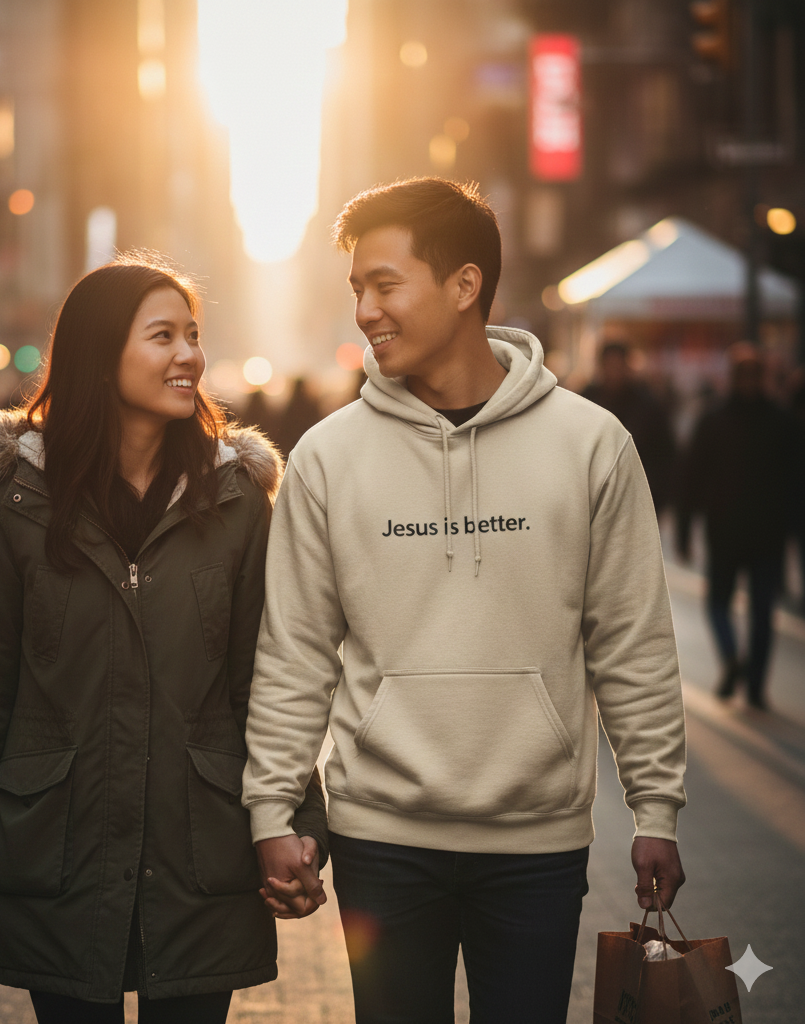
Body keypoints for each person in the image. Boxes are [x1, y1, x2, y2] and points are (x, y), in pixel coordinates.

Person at [241, 178, 687, 1024]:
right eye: (356, 289)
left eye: (385, 284)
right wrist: (271, 807)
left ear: (464, 285)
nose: (365, 311)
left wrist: (655, 808)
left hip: (536, 845)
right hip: (380, 838)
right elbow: (294, 651)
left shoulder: (591, 444)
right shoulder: (328, 458)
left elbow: (632, 643)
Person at [0, 259, 327, 1024]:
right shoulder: (16, 499)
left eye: (193, 336)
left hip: (199, 859)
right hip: (59, 858)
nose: (189, 356)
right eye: (162, 336)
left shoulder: (236, 499)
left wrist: (301, 825)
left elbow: (268, 681)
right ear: (100, 356)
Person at [676, 343, 797, 709]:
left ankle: (732, 659)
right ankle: (754, 685)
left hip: (726, 528)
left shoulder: (714, 419)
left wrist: (685, 528)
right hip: (765, 533)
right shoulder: (781, 420)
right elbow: (795, 480)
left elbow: (690, 476)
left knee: (719, 603)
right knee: (761, 612)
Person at [582, 340, 676, 512]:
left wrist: (657, 497)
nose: (614, 373)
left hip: (636, 496)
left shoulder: (647, 405)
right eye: (609, 366)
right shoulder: (586, 400)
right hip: (593, 497)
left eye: (618, 366)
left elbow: (664, 455)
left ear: (627, 366)